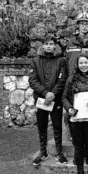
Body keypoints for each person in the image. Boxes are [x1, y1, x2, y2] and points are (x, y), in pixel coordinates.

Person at [29, 36, 68, 166]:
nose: (49, 46)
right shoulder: (35, 60)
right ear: (42, 46)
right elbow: (33, 80)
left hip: (55, 99)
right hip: (41, 99)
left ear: (55, 46)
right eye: (46, 44)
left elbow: (62, 80)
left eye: (51, 44)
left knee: (57, 126)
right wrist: (46, 93)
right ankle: (43, 152)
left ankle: (59, 152)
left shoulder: (61, 60)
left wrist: (52, 94)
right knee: (42, 126)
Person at [66, 11, 88, 76]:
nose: (84, 26)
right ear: (78, 25)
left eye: (87, 24)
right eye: (82, 24)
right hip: (74, 79)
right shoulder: (70, 42)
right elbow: (67, 62)